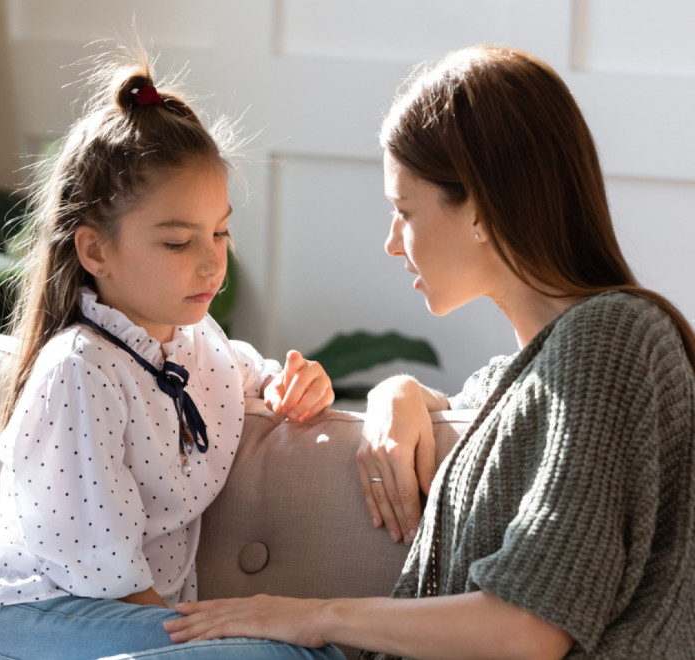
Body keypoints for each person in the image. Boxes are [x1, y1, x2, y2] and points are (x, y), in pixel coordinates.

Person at [164, 45, 695, 659]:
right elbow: (489, 412)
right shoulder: (534, 373)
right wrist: (400, 392)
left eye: (403, 210)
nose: (392, 243)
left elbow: (529, 630)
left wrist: (312, 617)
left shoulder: (614, 337)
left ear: (480, 209)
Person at [0, 43, 342, 660]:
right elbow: (103, 575)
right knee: (285, 656)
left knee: (305, 652)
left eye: (220, 232)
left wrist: (296, 386)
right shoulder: (79, 370)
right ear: (95, 252)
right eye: (177, 243)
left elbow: (254, 377)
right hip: (19, 625)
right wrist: (191, 646)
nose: (211, 260)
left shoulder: (201, 347)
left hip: (117, 628)